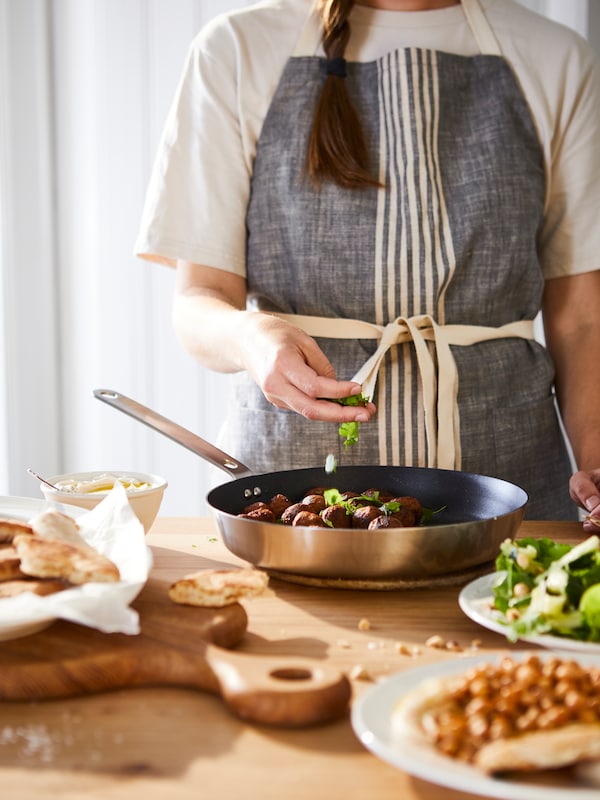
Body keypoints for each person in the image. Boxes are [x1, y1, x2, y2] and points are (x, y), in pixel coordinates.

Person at [135, 0, 600, 528]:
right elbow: (198, 303)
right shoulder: (236, 50)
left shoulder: (555, 57)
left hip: (512, 491)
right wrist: (253, 337)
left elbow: (582, 319)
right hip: (290, 496)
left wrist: (597, 461)